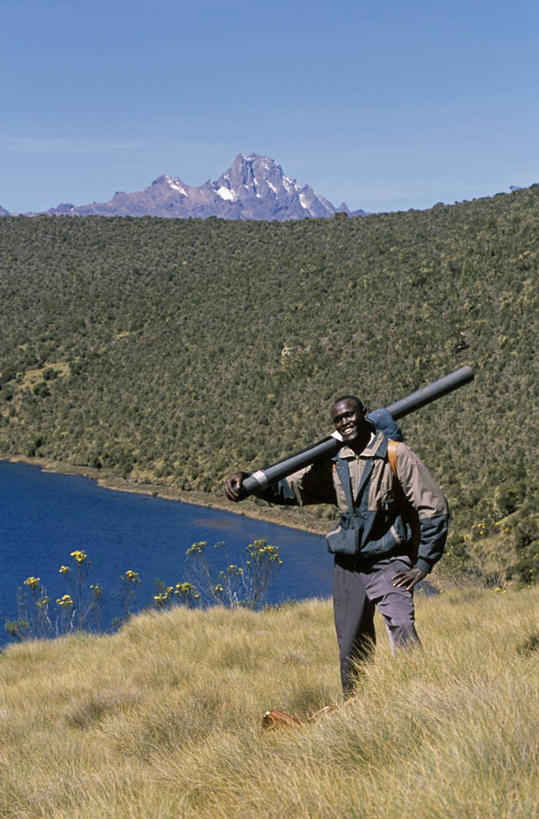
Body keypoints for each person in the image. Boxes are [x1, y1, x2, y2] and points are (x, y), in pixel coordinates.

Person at [224, 395, 449, 696]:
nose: (345, 422)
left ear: (364, 415)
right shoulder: (334, 462)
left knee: (402, 626)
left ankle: (421, 696)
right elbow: (291, 489)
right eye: (338, 419)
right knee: (351, 646)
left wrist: (423, 564)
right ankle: (355, 707)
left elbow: (433, 507)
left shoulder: (396, 455)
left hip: (389, 561)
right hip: (348, 567)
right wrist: (248, 482)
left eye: (350, 415)